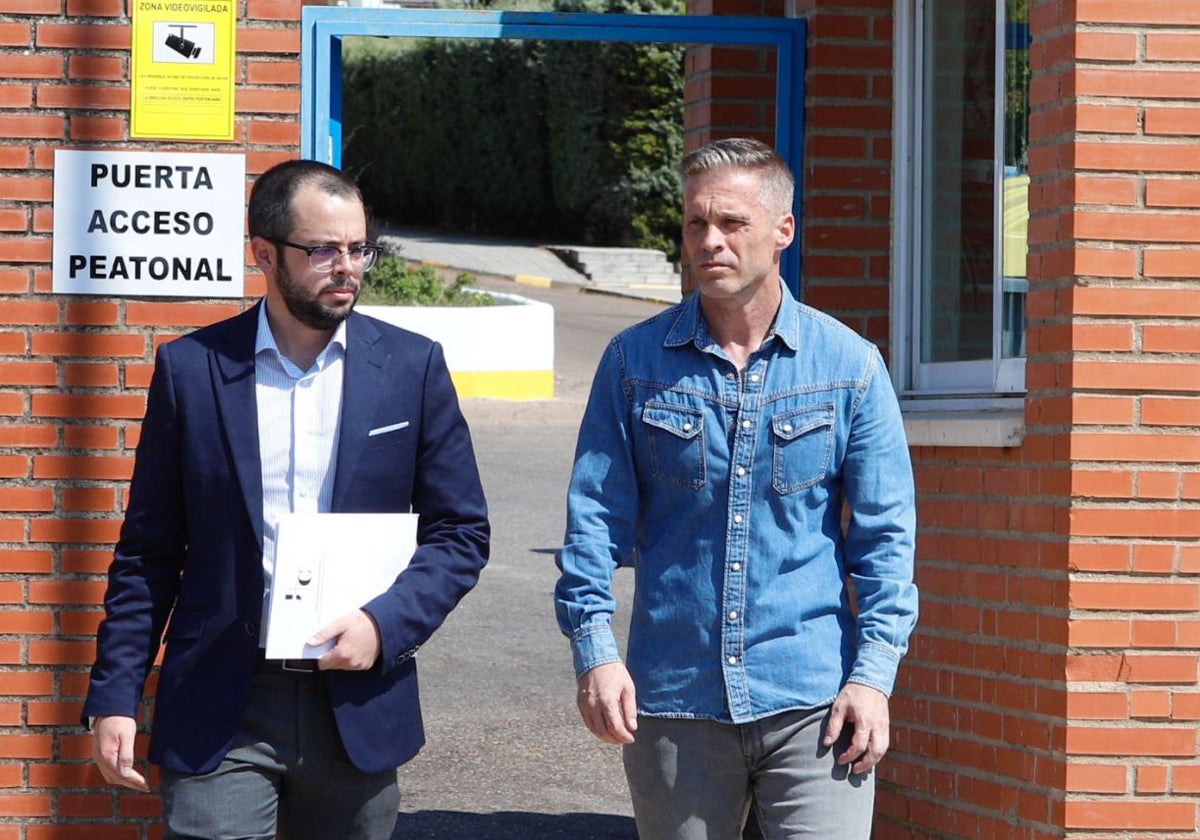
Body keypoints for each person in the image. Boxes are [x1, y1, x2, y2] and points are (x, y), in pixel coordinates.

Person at [83, 159, 490, 839]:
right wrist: (116, 695)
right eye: (324, 249)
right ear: (265, 254)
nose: (348, 268)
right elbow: (148, 553)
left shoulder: (411, 370)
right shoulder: (193, 371)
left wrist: (386, 624)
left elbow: (460, 533)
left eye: (359, 248)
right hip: (223, 701)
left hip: (356, 700)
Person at [555, 137, 917, 839]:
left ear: (783, 230)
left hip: (814, 702)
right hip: (675, 701)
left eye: (731, 223)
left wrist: (873, 678)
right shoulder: (634, 363)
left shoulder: (850, 367)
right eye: (696, 224)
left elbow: (885, 541)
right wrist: (596, 653)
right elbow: (592, 523)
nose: (710, 241)